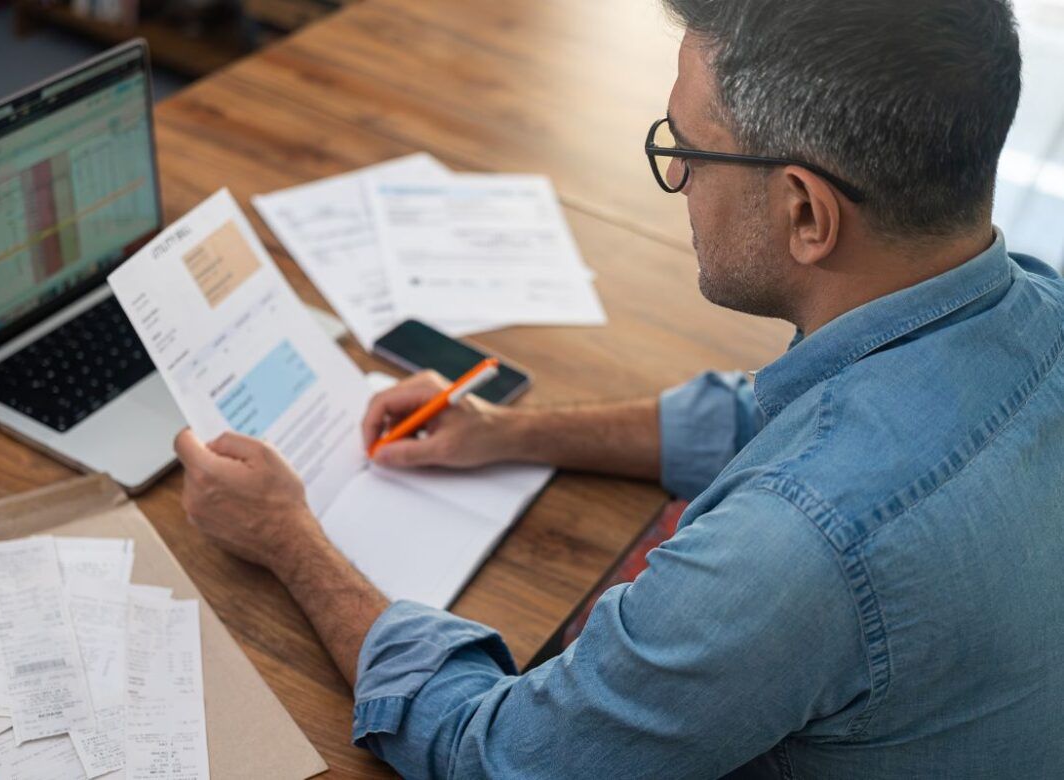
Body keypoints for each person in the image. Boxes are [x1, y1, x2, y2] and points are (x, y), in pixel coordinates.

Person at [173, 0, 1064, 776]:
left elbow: (500, 756)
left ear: (805, 213)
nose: (676, 178)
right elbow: (764, 418)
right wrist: (509, 433)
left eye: (687, 149)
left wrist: (290, 538)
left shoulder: (791, 551)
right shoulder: (1031, 301)